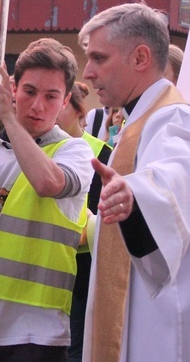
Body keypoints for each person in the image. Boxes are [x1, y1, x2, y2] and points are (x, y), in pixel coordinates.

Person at [78, 2, 190, 361]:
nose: (88, 73)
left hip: (167, 328)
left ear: (140, 57)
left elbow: (176, 174)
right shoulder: (137, 120)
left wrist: (136, 194)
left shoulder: (174, 120)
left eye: (98, 58)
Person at [0, 38, 95, 362]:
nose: (37, 106)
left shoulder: (75, 151)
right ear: (13, 88)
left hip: (37, 332)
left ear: (66, 99)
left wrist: (10, 119)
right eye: (29, 92)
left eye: (51, 96)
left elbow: (47, 183)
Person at [56, 82, 111, 362]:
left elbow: (99, 211)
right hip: (52, 263)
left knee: (75, 345)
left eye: (60, 105)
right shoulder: (43, 147)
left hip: (84, 266)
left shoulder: (101, 153)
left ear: (79, 112)